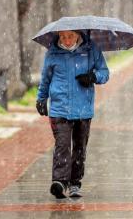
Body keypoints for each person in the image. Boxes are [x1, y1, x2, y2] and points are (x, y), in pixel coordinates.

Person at [36, 30, 109, 199]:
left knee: (79, 148)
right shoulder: (52, 53)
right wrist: (41, 98)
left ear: (78, 35)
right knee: (62, 146)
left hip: (83, 109)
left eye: (70, 36)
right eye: (62, 37)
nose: (66, 40)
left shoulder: (91, 50)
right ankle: (60, 182)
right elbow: (45, 79)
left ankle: (75, 183)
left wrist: (92, 76)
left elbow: (105, 73)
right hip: (59, 109)